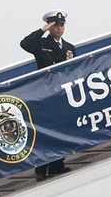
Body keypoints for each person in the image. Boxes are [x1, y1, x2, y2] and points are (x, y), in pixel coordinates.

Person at [21, 10, 76, 179]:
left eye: (61, 25)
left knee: (61, 129)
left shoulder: (69, 48)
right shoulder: (41, 44)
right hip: (45, 93)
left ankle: (57, 164)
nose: (59, 29)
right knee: (44, 132)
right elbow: (24, 44)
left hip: (61, 93)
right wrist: (42, 30)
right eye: (56, 26)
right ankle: (41, 170)